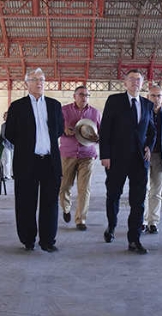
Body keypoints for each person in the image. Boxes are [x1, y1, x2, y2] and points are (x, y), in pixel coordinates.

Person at [5, 68, 64, 252]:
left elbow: (59, 129)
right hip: (26, 162)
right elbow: (10, 133)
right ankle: (28, 240)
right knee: (25, 202)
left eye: (42, 79)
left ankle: (48, 241)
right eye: (35, 79)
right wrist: (26, 146)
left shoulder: (54, 105)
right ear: (27, 83)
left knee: (50, 203)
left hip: (50, 161)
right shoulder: (17, 106)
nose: (39, 83)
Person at [99, 69, 156, 254]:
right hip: (116, 158)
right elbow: (105, 129)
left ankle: (134, 239)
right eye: (131, 79)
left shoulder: (147, 104)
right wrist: (105, 155)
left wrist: (149, 146)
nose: (135, 82)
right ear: (125, 83)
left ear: (142, 83)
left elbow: (152, 131)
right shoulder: (114, 101)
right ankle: (112, 225)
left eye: (138, 80)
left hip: (140, 160)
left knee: (138, 200)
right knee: (113, 195)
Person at [59, 85, 101, 231]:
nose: (84, 97)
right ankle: (66, 208)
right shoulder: (64, 111)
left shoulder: (95, 113)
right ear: (74, 96)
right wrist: (64, 130)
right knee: (64, 186)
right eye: (81, 94)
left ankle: (81, 219)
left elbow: (101, 134)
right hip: (67, 154)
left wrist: (97, 138)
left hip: (87, 155)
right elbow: (55, 128)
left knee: (84, 189)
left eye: (87, 95)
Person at [142, 84, 162, 234]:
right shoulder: (142, 112)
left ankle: (153, 221)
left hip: (160, 156)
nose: (156, 99)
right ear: (148, 97)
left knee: (156, 192)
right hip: (143, 156)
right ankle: (142, 220)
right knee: (143, 189)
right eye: (153, 95)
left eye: (159, 96)